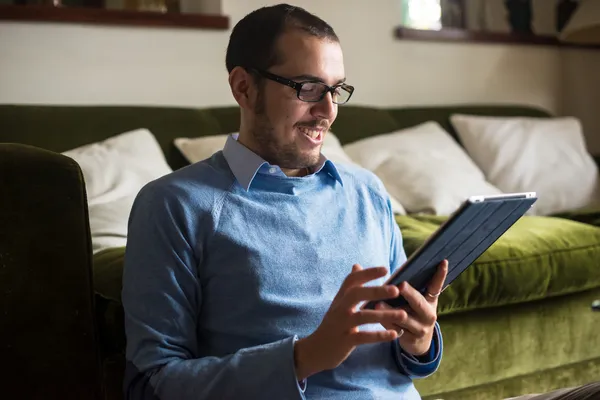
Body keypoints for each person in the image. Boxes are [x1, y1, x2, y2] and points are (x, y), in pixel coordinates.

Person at [121, 3, 447, 400]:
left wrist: (420, 342)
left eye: (336, 89)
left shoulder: (368, 191)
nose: (328, 111)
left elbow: (402, 352)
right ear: (243, 87)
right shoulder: (174, 205)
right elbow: (151, 385)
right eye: (307, 88)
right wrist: (302, 357)